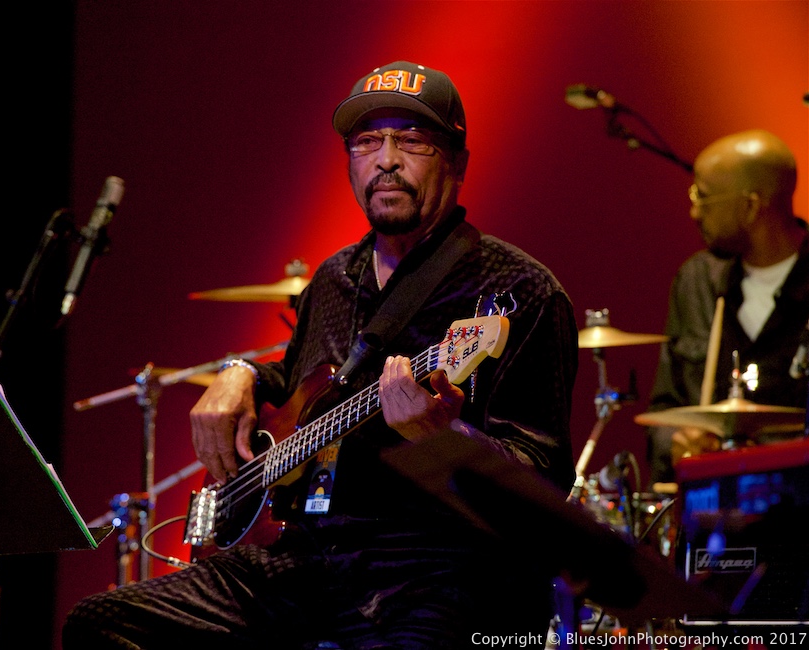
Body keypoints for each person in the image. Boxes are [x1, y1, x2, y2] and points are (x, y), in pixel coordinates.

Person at [63, 60, 578, 649]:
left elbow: (543, 488)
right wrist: (240, 373)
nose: (386, 160)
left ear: (458, 163)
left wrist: (444, 439)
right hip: (307, 562)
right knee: (102, 623)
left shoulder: (518, 291)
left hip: (439, 572)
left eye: (412, 140)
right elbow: (300, 387)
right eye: (366, 142)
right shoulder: (334, 279)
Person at [645, 129, 809, 486]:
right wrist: (676, 441)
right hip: (709, 508)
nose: (694, 212)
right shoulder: (696, 281)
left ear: (750, 206)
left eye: (702, 197)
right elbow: (663, 410)